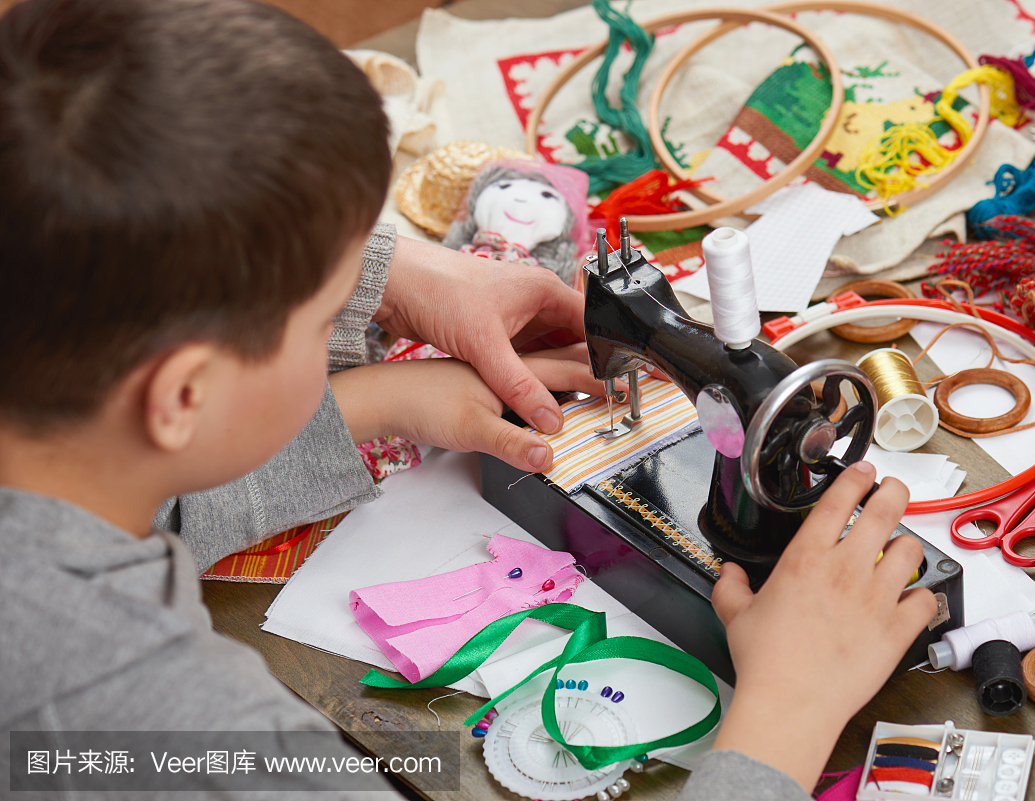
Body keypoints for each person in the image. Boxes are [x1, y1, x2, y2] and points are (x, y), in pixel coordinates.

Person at [0, 0, 934, 798]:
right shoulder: (186, 735)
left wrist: (372, 385)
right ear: (181, 393)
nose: (363, 310)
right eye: (334, 312)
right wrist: (785, 714)